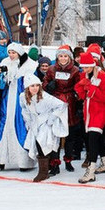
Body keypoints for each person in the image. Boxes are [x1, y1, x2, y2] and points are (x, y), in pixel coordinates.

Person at [0, 43, 38, 173]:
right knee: (4, 126)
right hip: (7, 98)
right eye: (9, 52)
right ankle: (0, 160)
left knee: (20, 125)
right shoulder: (4, 62)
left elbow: (31, 83)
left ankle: (24, 161)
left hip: (19, 99)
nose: (11, 55)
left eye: (13, 53)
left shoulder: (29, 65)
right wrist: (0, 74)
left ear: (19, 53)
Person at [20, 74, 68, 183]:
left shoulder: (45, 97)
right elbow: (24, 109)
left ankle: (44, 172)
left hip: (46, 121)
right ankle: (48, 167)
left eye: (37, 85)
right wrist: (28, 122)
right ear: (27, 87)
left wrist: (52, 118)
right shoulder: (23, 97)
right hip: (35, 123)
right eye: (32, 86)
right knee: (37, 143)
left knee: (43, 142)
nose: (35, 88)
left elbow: (61, 105)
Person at [42, 45, 81, 174]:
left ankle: (68, 160)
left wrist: (77, 96)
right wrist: (49, 86)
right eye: (61, 56)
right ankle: (54, 163)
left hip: (70, 104)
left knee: (69, 135)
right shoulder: (52, 69)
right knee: (55, 135)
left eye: (65, 56)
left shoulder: (75, 70)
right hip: (56, 102)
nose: (63, 58)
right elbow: (45, 83)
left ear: (69, 57)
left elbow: (78, 86)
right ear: (57, 57)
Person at [74, 52, 105, 183]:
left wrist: (90, 87)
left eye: (87, 67)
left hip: (100, 110)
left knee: (93, 138)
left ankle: (91, 170)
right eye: (83, 67)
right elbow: (83, 95)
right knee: (96, 137)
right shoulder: (85, 75)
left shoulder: (102, 75)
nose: (84, 70)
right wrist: (82, 88)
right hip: (89, 110)